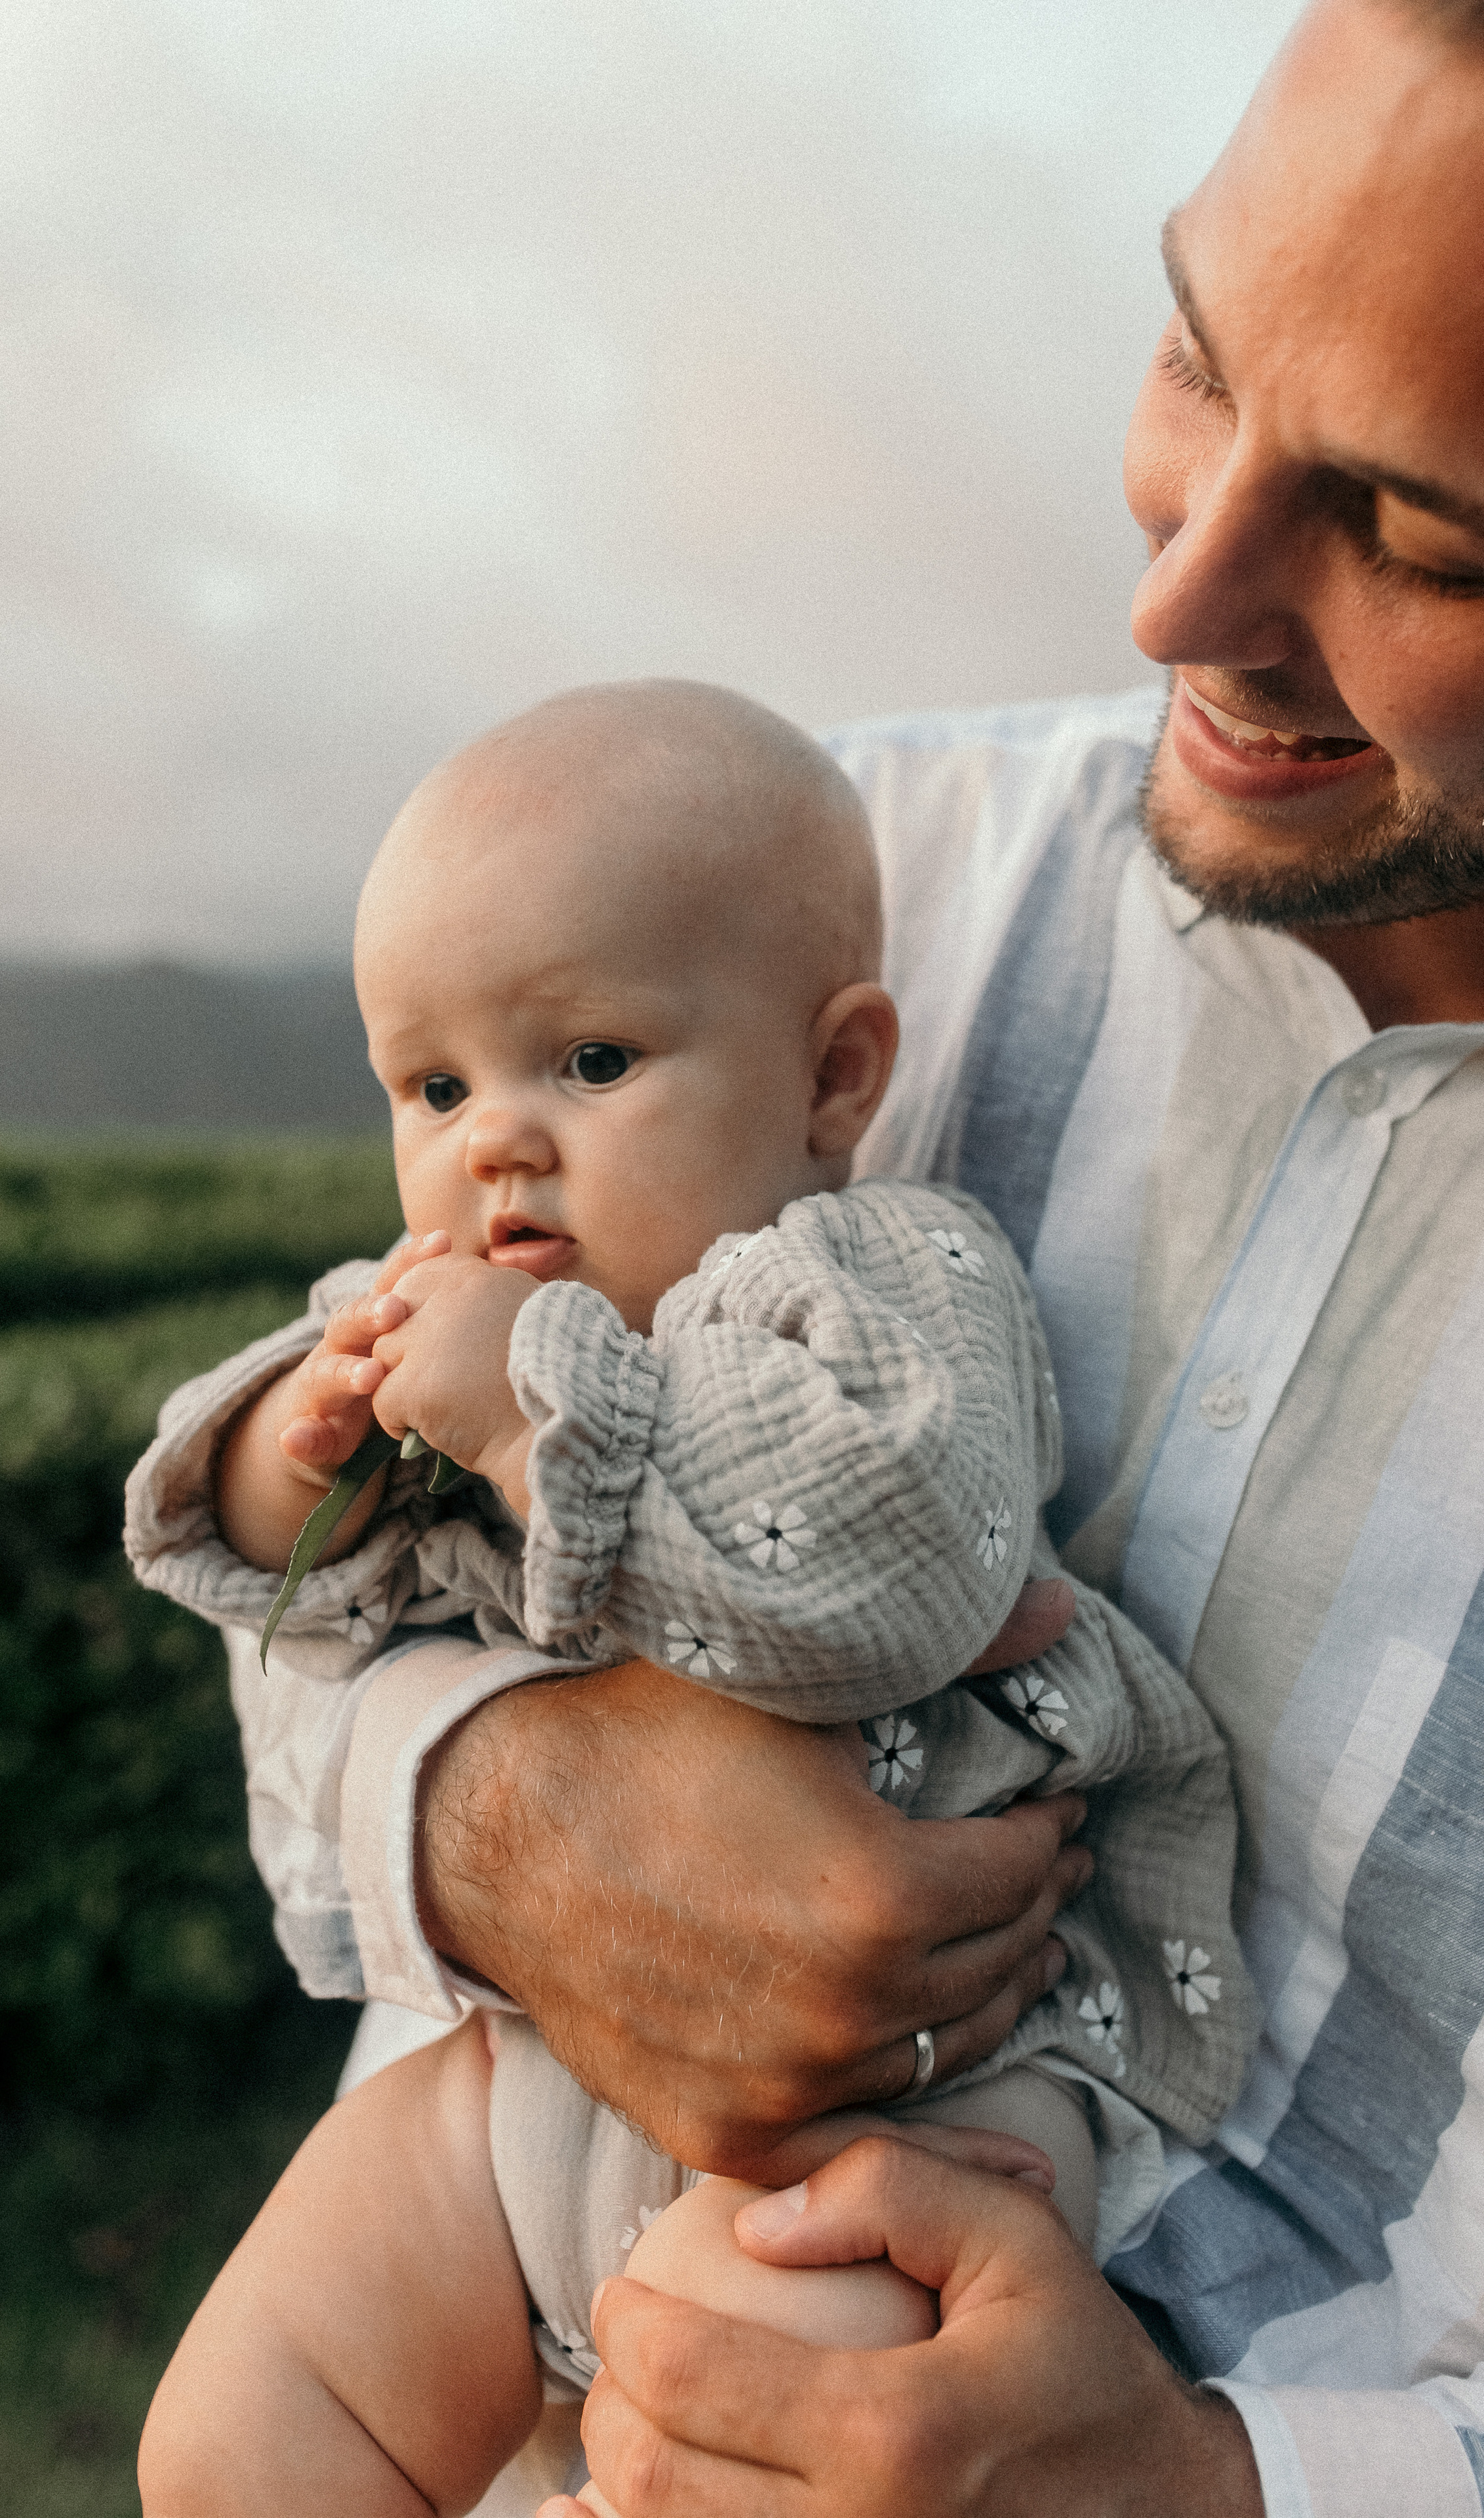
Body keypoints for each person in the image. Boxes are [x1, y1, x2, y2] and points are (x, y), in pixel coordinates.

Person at [522, 2, 1484, 2513]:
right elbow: (317, 1505)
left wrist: (1221, 2489)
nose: (1178, 597)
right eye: (1197, 356)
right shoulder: (820, 904)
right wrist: (498, 1806)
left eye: (1424, 537)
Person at [126, 679, 1254, 2513]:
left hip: (906, 2129)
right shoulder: (446, 1312)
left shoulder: (878, 1283)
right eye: (435, 1086)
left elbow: (890, 1564)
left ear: (833, 1079)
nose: (497, 1142)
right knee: (239, 2429)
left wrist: (533, 1416)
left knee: (758, 2455)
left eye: (588, 1063)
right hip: (517, 2085)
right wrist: (296, 1449)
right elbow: (283, 1608)